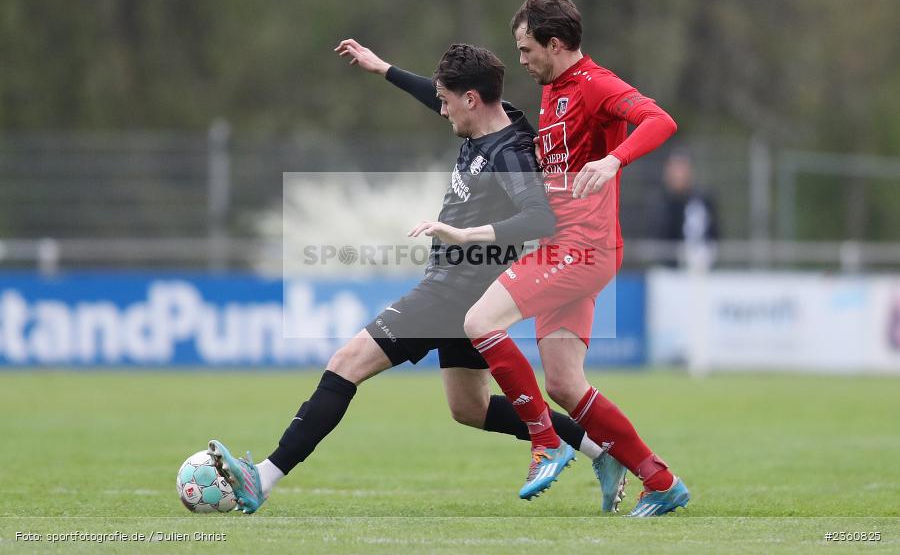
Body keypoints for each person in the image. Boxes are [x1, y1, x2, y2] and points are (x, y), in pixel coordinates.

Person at [209, 40, 624, 514]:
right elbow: (440, 94)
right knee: (469, 408)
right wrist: (383, 68)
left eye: (448, 101)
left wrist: (465, 234)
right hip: (468, 297)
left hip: (453, 291)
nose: (441, 109)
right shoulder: (493, 113)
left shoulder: (509, 154)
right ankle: (601, 451)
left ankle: (262, 478)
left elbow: (539, 219)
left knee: (346, 361)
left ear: (472, 99)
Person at [463, 0, 691, 516]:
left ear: (556, 43)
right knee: (565, 383)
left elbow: (660, 120)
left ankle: (546, 441)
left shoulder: (595, 84)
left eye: (526, 50)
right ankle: (660, 480)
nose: (521, 61)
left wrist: (615, 162)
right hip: (567, 247)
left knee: (479, 322)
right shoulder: (556, 87)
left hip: (581, 249)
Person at [656, 150, 719, 269]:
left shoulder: (703, 199)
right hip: (670, 268)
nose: (679, 174)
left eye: (683, 168)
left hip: (702, 265)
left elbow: (715, 232)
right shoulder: (661, 202)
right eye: (675, 168)